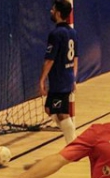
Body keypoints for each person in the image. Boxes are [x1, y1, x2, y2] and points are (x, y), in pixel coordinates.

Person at [40, 0, 79, 144]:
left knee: (62, 113)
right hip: (67, 78)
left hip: (59, 80)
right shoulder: (72, 32)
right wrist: (73, 77)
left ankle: (73, 144)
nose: (50, 11)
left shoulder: (56, 34)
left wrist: (42, 80)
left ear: (58, 13)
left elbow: (49, 60)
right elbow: (75, 57)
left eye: (53, 9)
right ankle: (72, 139)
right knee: (49, 108)